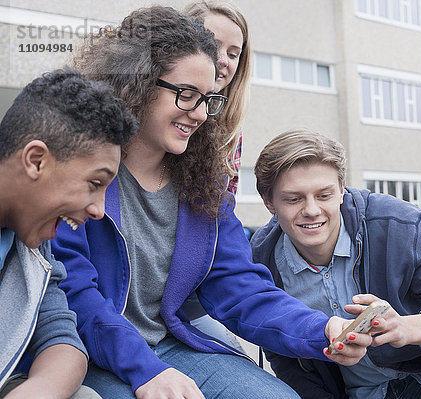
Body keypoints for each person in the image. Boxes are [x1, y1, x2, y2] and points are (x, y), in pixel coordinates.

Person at [51, 7, 371, 399]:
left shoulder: (205, 185)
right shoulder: (77, 172)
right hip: (87, 353)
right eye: (186, 95)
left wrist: (322, 329)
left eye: (209, 99)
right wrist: (148, 372)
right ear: (135, 83)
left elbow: (239, 287)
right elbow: (74, 295)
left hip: (170, 343)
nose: (201, 114)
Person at [251, 129, 421, 399]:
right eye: (294, 199)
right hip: (361, 394)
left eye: (324, 195)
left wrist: (407, 328)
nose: (312, 210)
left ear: (342, 189)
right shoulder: (261, 259)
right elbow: (283, 353)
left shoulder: (401, 224)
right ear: (269, 201)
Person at [0, 69, 137, 398]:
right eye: (95, 183)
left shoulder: (34, 250)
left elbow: (63, 341)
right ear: (36, 161)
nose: (98, 210)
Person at [185, 0, 251, 195]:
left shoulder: (230, 134)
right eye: (212, 46)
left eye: (232, 54)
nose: (222, 60)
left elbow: (223, 213)